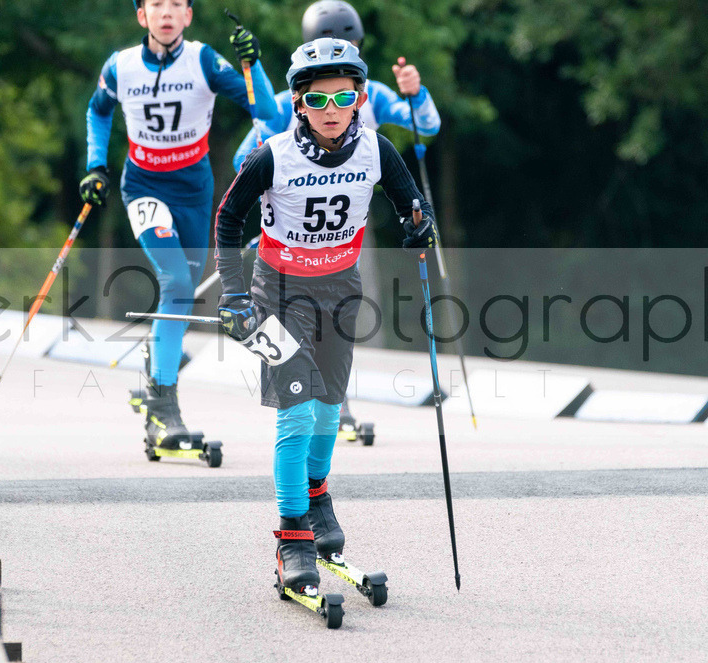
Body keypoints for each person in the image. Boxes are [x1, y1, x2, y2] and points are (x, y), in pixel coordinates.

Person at [214, 38, 437, 593]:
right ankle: (292, 537)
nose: (332, 110)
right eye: (317, 100)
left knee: (328, 409)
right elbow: (227, 221)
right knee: (295, 411)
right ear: (298, 104)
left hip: (340, 289)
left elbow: (412, 203)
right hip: (277, 292)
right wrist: (234, 296)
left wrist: (419, 225)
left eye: (343, 97)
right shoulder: (273, 154)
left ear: (360, 98)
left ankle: (317, 499)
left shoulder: (377, 149)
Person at [232, 0, 441, 442]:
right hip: (291, 241)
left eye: (349, 46)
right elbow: (245, 159)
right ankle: (318, 413)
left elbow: (428, 125)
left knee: (338, 321)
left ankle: (334, 401)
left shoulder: (374, 93)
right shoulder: (292, 98)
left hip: (345, 235)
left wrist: (416, 91)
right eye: (326, 45)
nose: (338, 55)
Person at [81, 0, 277, 458]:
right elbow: (98, 111)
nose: (166, 12)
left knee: (185, 293)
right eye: (156, 4)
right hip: (144, 187)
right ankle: (162, 407)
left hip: (193, 192)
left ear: (187, 16)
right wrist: (95, 165)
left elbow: (265, 108)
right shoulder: (121, 66)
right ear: (141, 16)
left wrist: (253, 63)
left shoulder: (205, 60)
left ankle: (155, 371)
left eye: (175, 4)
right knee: (175, 284)